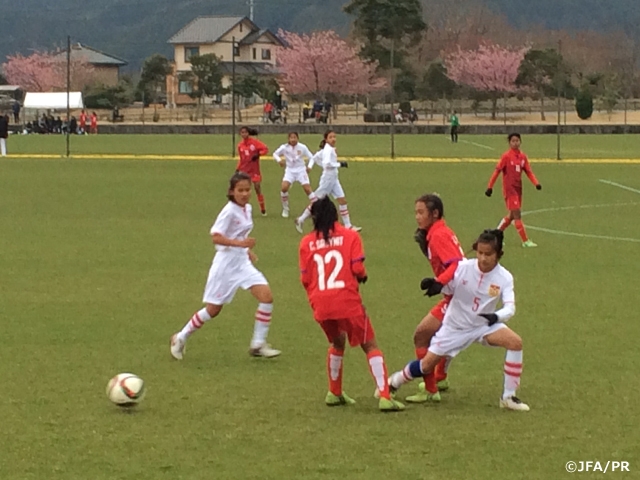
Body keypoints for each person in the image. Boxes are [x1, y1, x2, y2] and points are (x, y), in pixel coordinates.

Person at [388, 229, 529, 412]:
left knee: (515, 343)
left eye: (488, 254)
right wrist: (435, 284)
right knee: (426, 365)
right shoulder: (463, 268)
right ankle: (393, 383)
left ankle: (508, 397)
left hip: (483, 326)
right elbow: (448, 288)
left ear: (499, 254)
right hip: (454, 327)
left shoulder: (505, 278)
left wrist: (497, 316)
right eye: (480, 253)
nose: (483, 258)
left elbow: (510, 307)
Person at [299, 197, 405, 412]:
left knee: (337, 343)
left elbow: (305, 279)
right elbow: (357, 269)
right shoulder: (350, 236)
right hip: (346, 301)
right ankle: (385, 395)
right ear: (335, 214)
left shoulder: (305, 243)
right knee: (370, 345)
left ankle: (334, 392)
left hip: (320, 304)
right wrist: (362, 276)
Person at [170, 172, 281, 360]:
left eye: (247, 190)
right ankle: (180, 337)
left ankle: (258, 344)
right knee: (213, 310)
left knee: (266, 297)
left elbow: (238, 234)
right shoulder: (229, 211)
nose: (245, 194)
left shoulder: (247, 209)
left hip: (242, 263)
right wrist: (241, 245)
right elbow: (216, 236)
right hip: (225, 265)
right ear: (231, 192)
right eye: (240, 190)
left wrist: (246, 252)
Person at [405, 193, 465, 403]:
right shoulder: (438, 231)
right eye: (416, 213)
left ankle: (431, 390)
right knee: (443, 336)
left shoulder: (438, 235)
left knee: (421, 336)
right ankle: (439, 378)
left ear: (435, 213)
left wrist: (439, 282)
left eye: (421, 212)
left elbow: (456, 264)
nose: (417, 217)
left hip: (458, 299)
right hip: (458, 296)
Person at [294, 130, 361, 233]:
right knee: (317, 201)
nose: (333, 139)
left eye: (334, 137)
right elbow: (327, 164)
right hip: (328, 179)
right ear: (326, 139)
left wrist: (310, 166)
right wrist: (340, 164)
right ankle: (301, 219)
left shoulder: (327, 149)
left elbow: (314, 158)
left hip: (334, 178)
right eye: (331, 137)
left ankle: (348, 226)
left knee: (342, 200)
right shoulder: (328, 150)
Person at [485, 133, 542, 248]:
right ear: (509, 143)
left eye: (517, 141)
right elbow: (497, 171)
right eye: (513, 141)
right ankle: (525, 241)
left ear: (520, 142)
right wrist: (490, 187)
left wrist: (536, 183)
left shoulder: (522, 157)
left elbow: (528, 171)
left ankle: (495, 236)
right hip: (509, 189)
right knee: (517, 214)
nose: (515, 143)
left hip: (518, 189)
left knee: (511, 215)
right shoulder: (506, 156)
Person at [273, 132, 315, 218]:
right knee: (284, 188)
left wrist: (309, 166)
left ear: (297, 138)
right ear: (288, 139)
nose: (293, 139)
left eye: (294, 137)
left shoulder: (302, 147)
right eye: (291, 138)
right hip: (290, 170)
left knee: (307, 189)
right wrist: (279, 160)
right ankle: (285, 209)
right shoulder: (284, 147)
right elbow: (275, 154)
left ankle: (315, 209)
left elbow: (312, 157)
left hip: (301, 170)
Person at [236, 126, 268, 216]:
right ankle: (243, 209)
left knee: (257, 188)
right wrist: (237, 168)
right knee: (244, 190)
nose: (244, 134)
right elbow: (241, 159)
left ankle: (263, 209)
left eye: (245, 132)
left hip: (254, 170)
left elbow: (265, 149)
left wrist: (258, 154)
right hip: (244, 170)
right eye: (242, 132)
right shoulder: (240, 145)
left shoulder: (254, 143)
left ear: (248, 133)